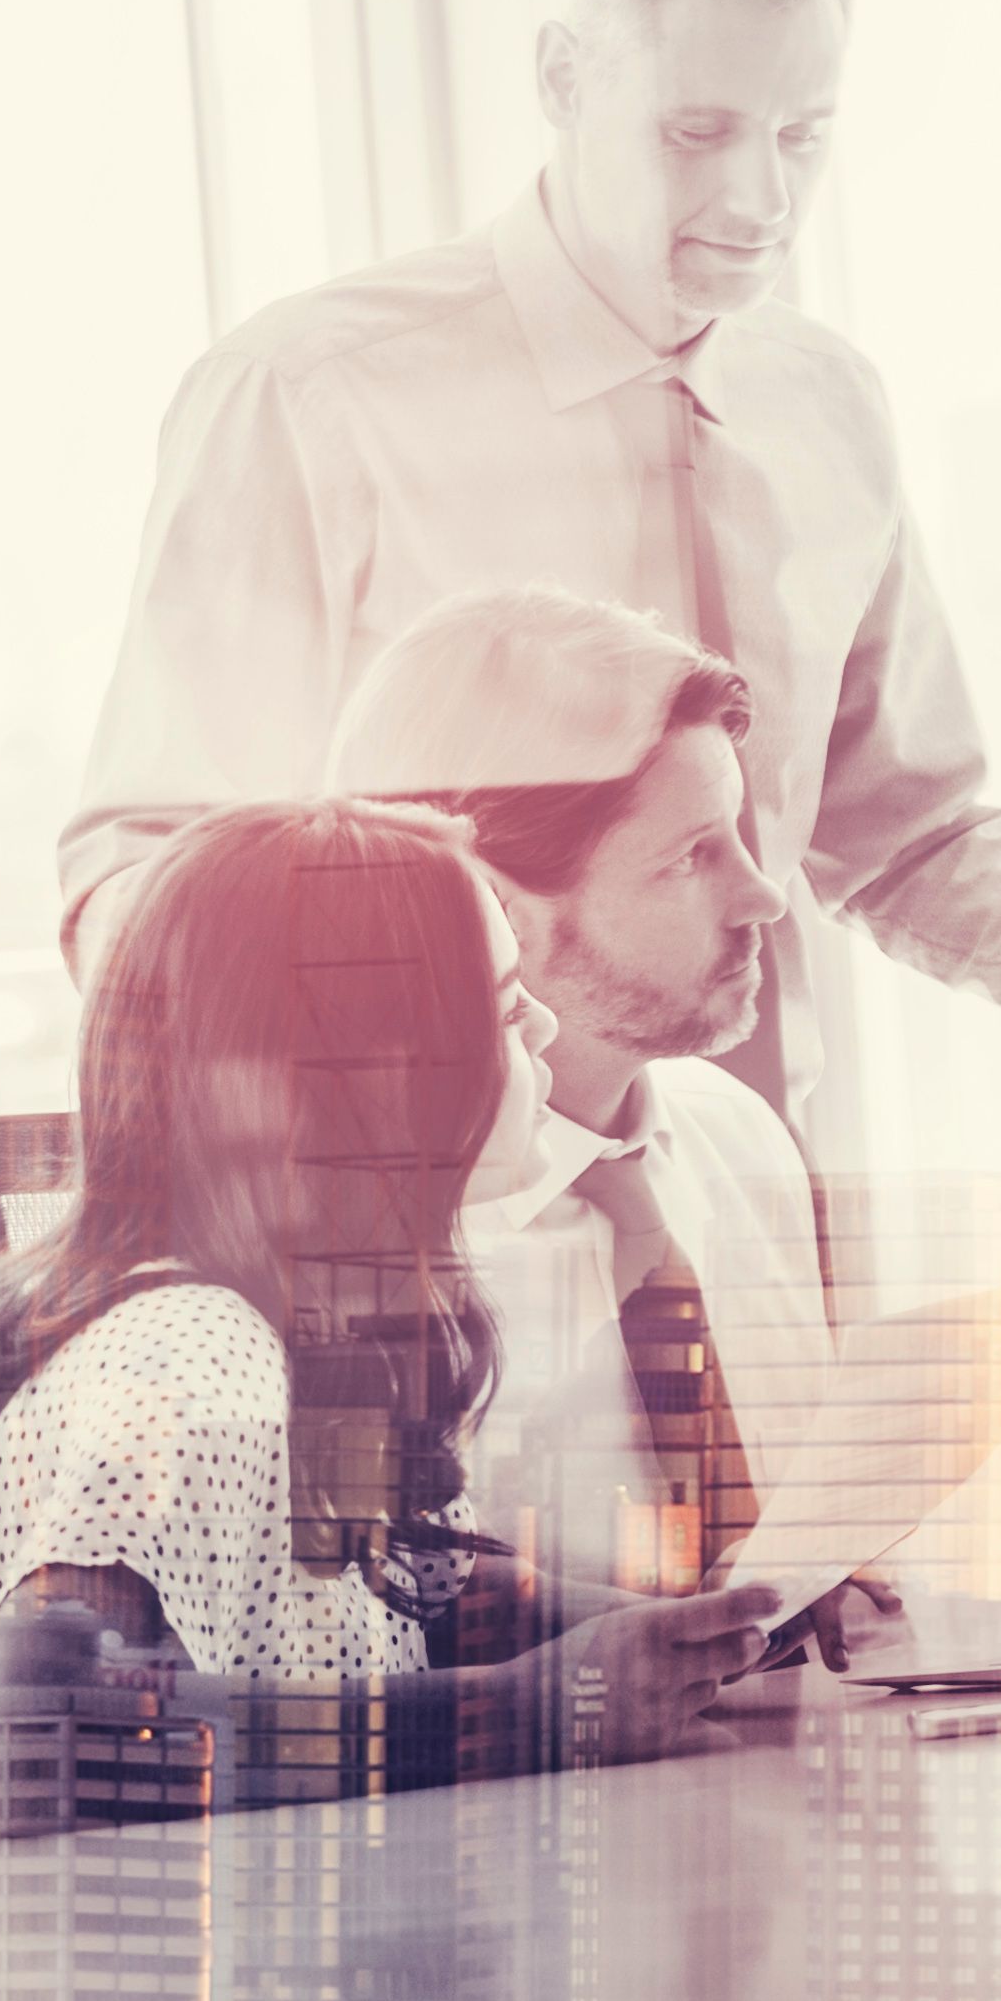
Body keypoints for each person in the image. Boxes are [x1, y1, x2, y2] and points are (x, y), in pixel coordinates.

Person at [57, 0, 1001, 1150]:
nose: (761, 200)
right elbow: (142, 872)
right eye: (697, 132)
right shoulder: (311, 396)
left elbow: (906, 841)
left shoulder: (829, 405)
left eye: (803, 137)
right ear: (564, 79)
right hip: (410, 1226)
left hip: (751, 1190)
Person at [0, 805, 764, 1843]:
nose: (545, 1033)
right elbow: (55, 1739)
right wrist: (529, 1711)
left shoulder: (306, 1336)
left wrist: (696, 1636)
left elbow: (406, 1582)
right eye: (504, 1006)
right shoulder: (190, 1350)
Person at [324, 583, 860, 1628]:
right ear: (492, 904)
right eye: (690, 856)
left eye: (736, 834)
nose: (764, 896)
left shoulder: (734, 1136)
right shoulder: (341, 1247)